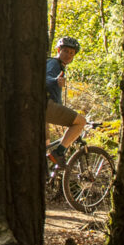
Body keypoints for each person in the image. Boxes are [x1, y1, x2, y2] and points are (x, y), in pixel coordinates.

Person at [45, 36, 89, 164]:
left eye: (72, 53)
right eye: (65, 51)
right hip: (46, 106)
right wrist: (55, 81)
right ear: (58, 50)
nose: (68, 55)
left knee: (45, 147)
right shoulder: (54, 64)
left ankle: (46, 179)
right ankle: (59, 153)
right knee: (81, 122)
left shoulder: (57, 65)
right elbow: (46, 78)